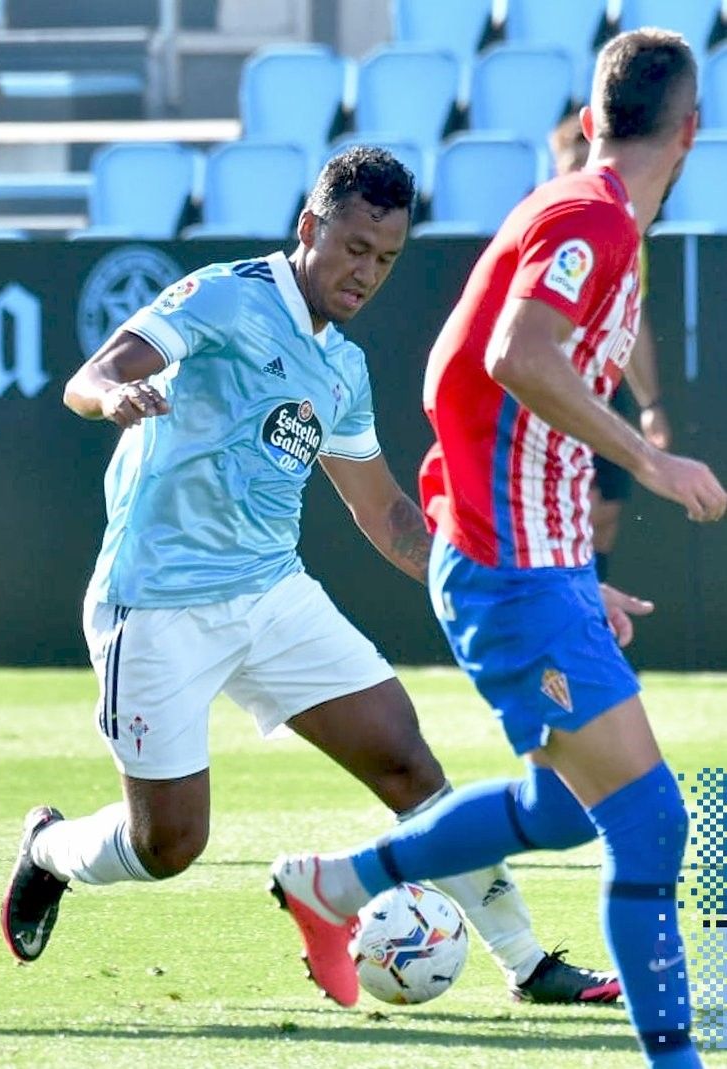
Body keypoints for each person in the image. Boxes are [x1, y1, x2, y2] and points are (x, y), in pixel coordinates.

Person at [0, 146, 619, 1006]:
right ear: (309, 228)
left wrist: (531, 582)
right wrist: (114, 397)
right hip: (158, 603)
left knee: (406, 759)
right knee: (168, 844)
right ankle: (48, 850)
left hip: (272, 593)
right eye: (355, 248)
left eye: (387, 259)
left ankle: (528, 962)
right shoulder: (228, 295)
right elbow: (91, 374)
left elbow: (390, 516)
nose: (366, 272)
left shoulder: (344, 367)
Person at [271, 30, 725, 1067]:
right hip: (512, 570)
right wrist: (649, 469)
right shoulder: (589, 217)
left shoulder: (590, 215)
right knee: (652, 822)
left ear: (592, 116)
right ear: (692, 130)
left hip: (534, 564)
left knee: (565, 806)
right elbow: (509, 357)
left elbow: (461, 373)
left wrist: (570, 563)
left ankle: (335, 885)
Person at [550, 114, 673, 579]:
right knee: (573, 512)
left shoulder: (622, 229)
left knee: (603, 517)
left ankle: (592, 620)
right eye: (573, 165)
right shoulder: (549, 227)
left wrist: (651, 404)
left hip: (602, 390)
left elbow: (633, 322)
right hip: (552, 393)